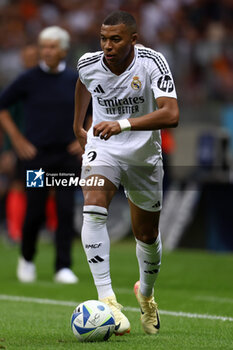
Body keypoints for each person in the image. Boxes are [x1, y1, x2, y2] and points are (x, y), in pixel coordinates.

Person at [73, 10, 179, 335]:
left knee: (146, 236)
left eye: (115, 39)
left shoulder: (152, 63)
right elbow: (83, 82)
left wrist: (121, 124)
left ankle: (146, 296)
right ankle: (109, 302)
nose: (107, 45)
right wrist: (78, 124)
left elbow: (171, 114)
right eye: (103, 39)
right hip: (103, 145)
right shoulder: (88, 63)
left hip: (143, 153)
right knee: (92, 206)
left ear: (133, 39)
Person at [0, 26, 82, 284]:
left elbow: (95, 108)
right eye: (44, 46)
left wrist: (84, 136)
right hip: (37, 158)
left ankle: (63, 267)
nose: (46, 51)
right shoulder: (29, 79)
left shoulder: (76, 80)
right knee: (35, 210)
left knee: (66, 209)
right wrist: (17, 139)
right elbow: (2, 106)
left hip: (66, 158)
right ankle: (27, 258)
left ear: (64, 50)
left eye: (52, 47)